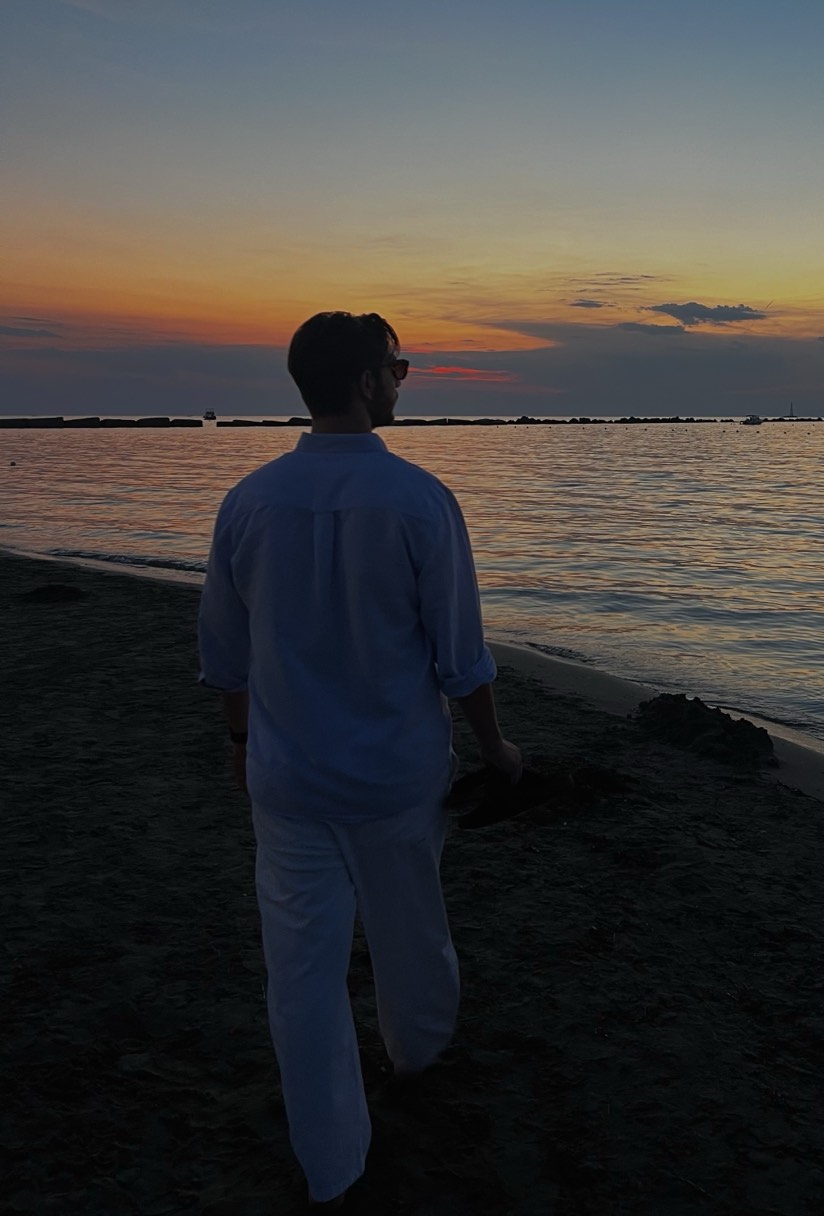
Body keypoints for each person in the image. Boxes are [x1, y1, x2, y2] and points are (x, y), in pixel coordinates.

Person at [198, 310, 521, 1210]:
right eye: (398, 365)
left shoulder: (249, 502)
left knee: (300, 970)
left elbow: (223, 655)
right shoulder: (419, 500)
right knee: (410, 926)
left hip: (289, 777)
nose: (403, 377)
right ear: (364, 380)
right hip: (393, 773)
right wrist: (495, 745)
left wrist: (239, 742)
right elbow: (461, 656)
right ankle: (414, 1051)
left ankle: (329, 1164)